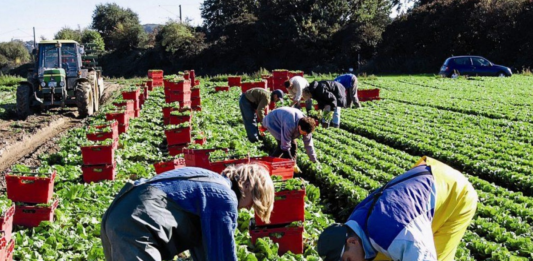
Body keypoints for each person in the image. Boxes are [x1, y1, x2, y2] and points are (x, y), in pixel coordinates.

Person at [316, 156, 478, 261]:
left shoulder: (394, 233)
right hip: (424, 179)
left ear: (351, 241)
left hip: (454, 192)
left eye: (348, 260)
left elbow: (423, 257)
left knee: (438, 256)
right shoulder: (354, 225)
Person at [100, 164, 275, 261]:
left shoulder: (210, 182)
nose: (246, 209)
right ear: (248, 187)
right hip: (136, 224)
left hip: (117, 214)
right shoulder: (225, 198)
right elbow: (222, 257)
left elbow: (203, 250)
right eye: (252, 204)